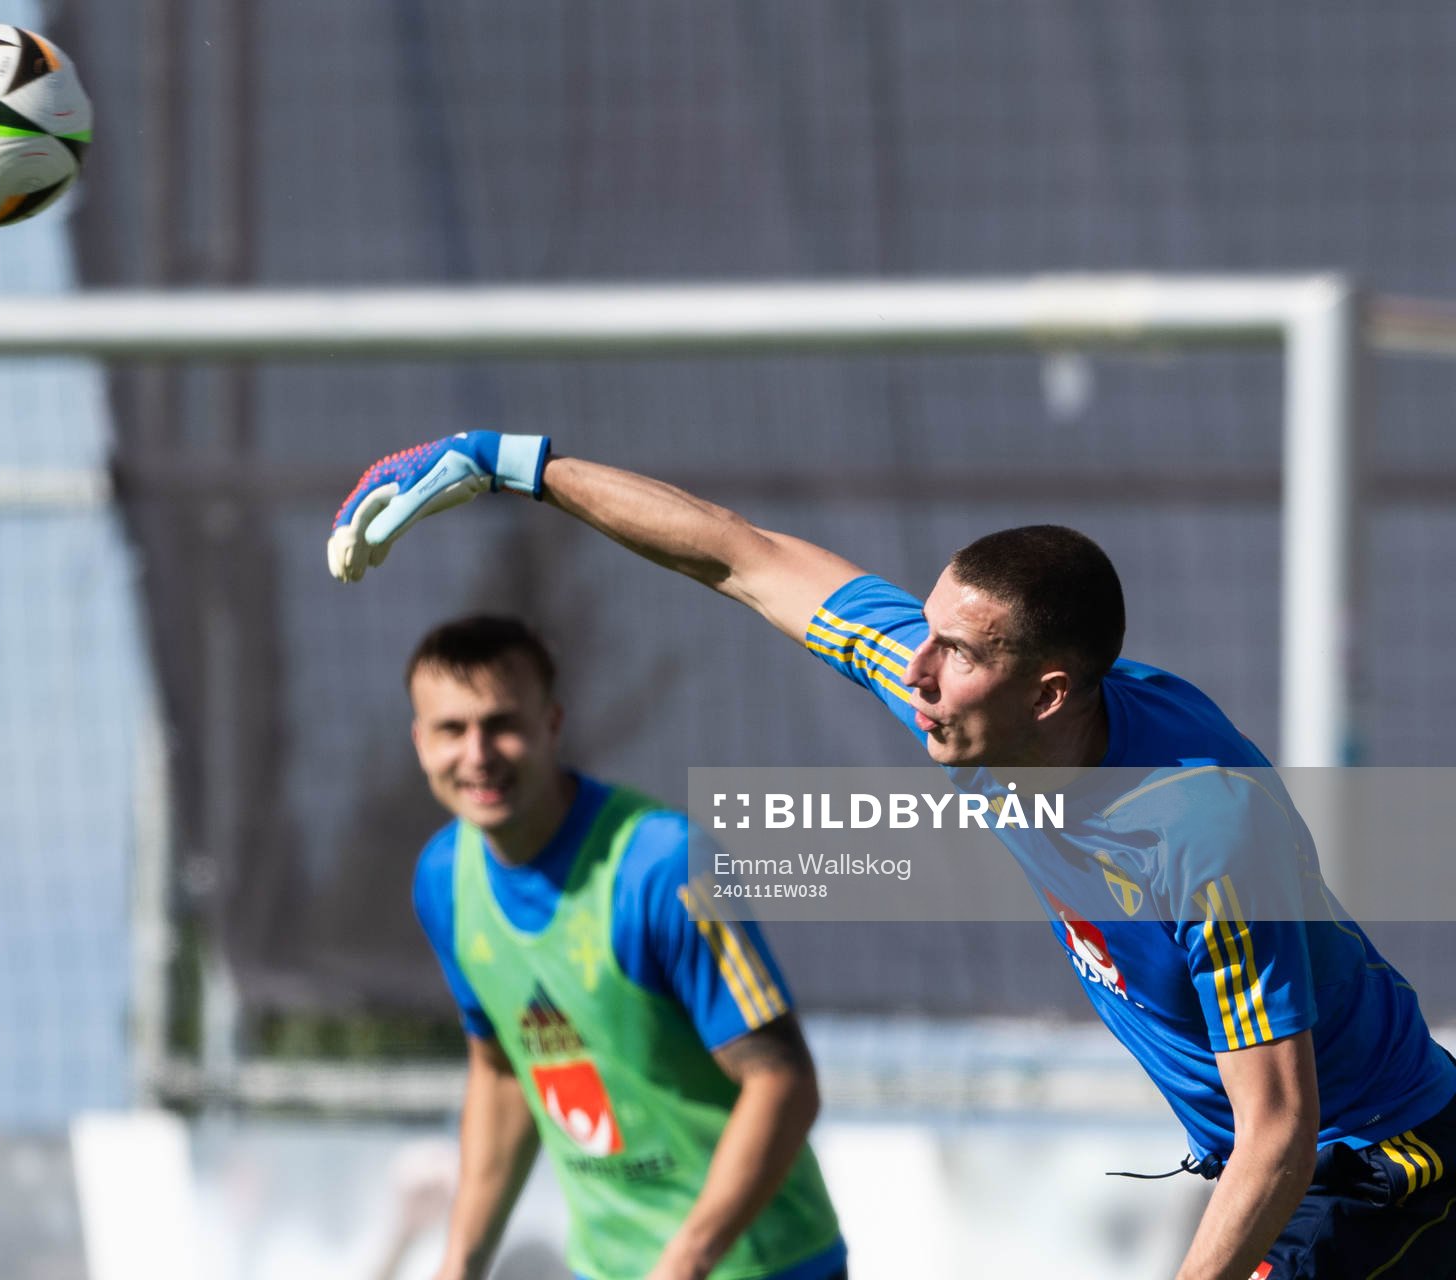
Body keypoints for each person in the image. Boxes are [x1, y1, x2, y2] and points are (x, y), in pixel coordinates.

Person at [330, 433, 1456, 1280]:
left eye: (954, 652)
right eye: (925, 628)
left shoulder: (1202, 830)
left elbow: (1279, 1128)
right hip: (1283, 1162)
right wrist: (513, 463)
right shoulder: (964, 699)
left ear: (1048, 693)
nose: (914, 669)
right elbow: (736, 555)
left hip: (1375, 1162)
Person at [402, 614, 847, 1280]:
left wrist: (685, 1263)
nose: (478, 754)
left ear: (551, 724)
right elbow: (502, 1070)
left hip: (762, 1266)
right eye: (451, 730)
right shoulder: (443, 879)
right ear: (420, 741)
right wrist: (459, 1265)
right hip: (606, 1267)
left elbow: (783, 1082)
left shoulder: (662, 865)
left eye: (501, 724)